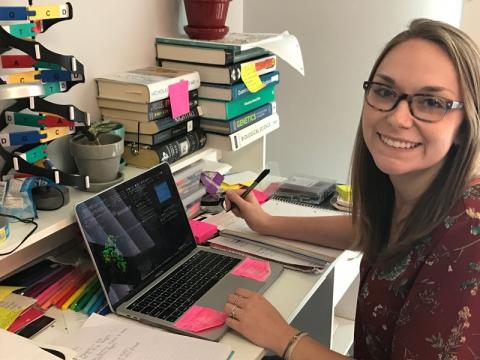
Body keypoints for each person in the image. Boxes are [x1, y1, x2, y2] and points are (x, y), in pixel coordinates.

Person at [223, 18, 480, 360]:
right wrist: (267, 224)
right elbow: (373, 228)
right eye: (385, 92)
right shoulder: (411, 193)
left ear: (465, 125)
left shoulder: (469, 236)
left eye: (431, 102)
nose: (399, 117)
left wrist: (285, 338)